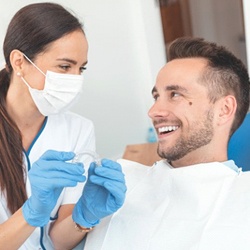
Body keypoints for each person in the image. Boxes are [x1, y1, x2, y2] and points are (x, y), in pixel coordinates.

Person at [83, 37, 250, 250]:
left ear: (224, 109)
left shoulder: (242, 200)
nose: (153, 112)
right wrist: (80, 220)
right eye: (156, 97)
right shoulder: (122, 184)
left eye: (175, 95)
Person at [0, 3, 126, 250]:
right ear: (19, 62)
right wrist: (31, 212)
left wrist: (84, 216)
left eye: (82, 68)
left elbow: (57, 242)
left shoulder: (78, 129)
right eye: (65, 67)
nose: (75, 79)